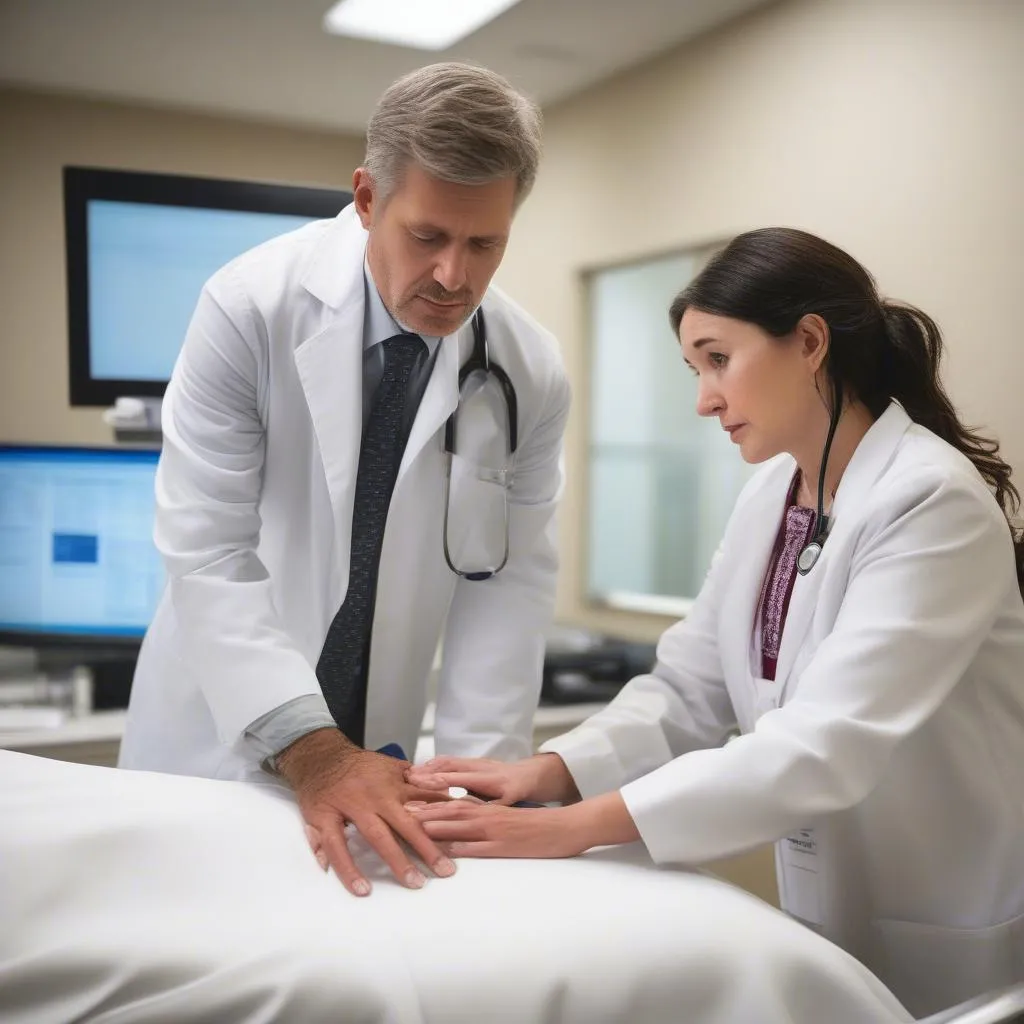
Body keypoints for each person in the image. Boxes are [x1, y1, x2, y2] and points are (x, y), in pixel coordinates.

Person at [404, 227, 1024, 1017]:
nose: (704, 399)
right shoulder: (772, 495)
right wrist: (553, 773)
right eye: (695, 369)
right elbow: (690, 686)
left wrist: (575, 829)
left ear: (808, 343)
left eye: (718, 360)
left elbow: (822, 744)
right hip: (837, 912)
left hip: (947, 917)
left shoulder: (930, 502)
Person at [119, 62, 571, 901]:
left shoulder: (528, 368)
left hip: (382, 752)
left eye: (485, 244)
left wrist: (475, 786)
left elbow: (505, 585)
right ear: (367, 199)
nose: (454, 278)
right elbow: (207, 551)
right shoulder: (249, 307)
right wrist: (316, 752)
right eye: (428, 236)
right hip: (221, 731)